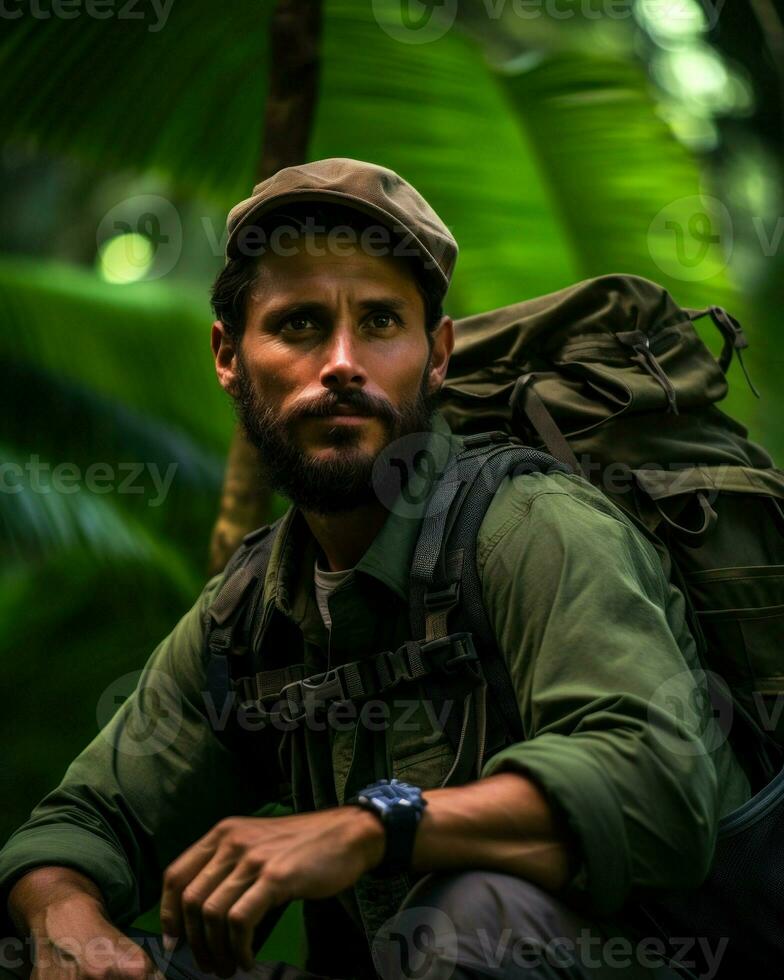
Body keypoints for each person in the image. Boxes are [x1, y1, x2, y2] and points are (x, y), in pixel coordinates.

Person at [0, 158, 750, 980]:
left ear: (437, 355)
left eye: (384, 323)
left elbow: (660, 786)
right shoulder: (252, 612)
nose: (343, 362)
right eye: (299, 325)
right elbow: (81, 821)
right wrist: (62, 914)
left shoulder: (532, 528)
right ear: (227, 355)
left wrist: (370, 825)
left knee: (477, 922)